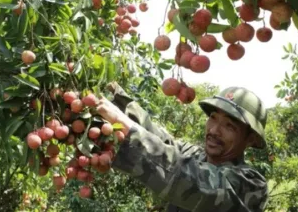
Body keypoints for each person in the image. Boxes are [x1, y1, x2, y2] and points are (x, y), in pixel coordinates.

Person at [96, 82, 269, 212]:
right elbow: (161, 139)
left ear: (251, 139)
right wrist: (120, 103)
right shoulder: (196, 155)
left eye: (229, 126)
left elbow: (193, 180)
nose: (214, 130)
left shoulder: (251, 185)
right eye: (213, 118)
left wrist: (127, 127)